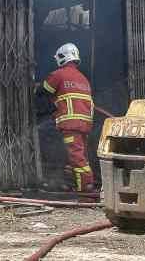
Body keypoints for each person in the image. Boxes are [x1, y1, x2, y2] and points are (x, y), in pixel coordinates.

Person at [39, 43, 95, 192]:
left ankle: (86, 187)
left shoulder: (59, 74)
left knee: (76, 156)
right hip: (85, 124)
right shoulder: (83, 79)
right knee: (80, 154)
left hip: (71, 124)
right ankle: (76, 183)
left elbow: (43, 90)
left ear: (63, 57)